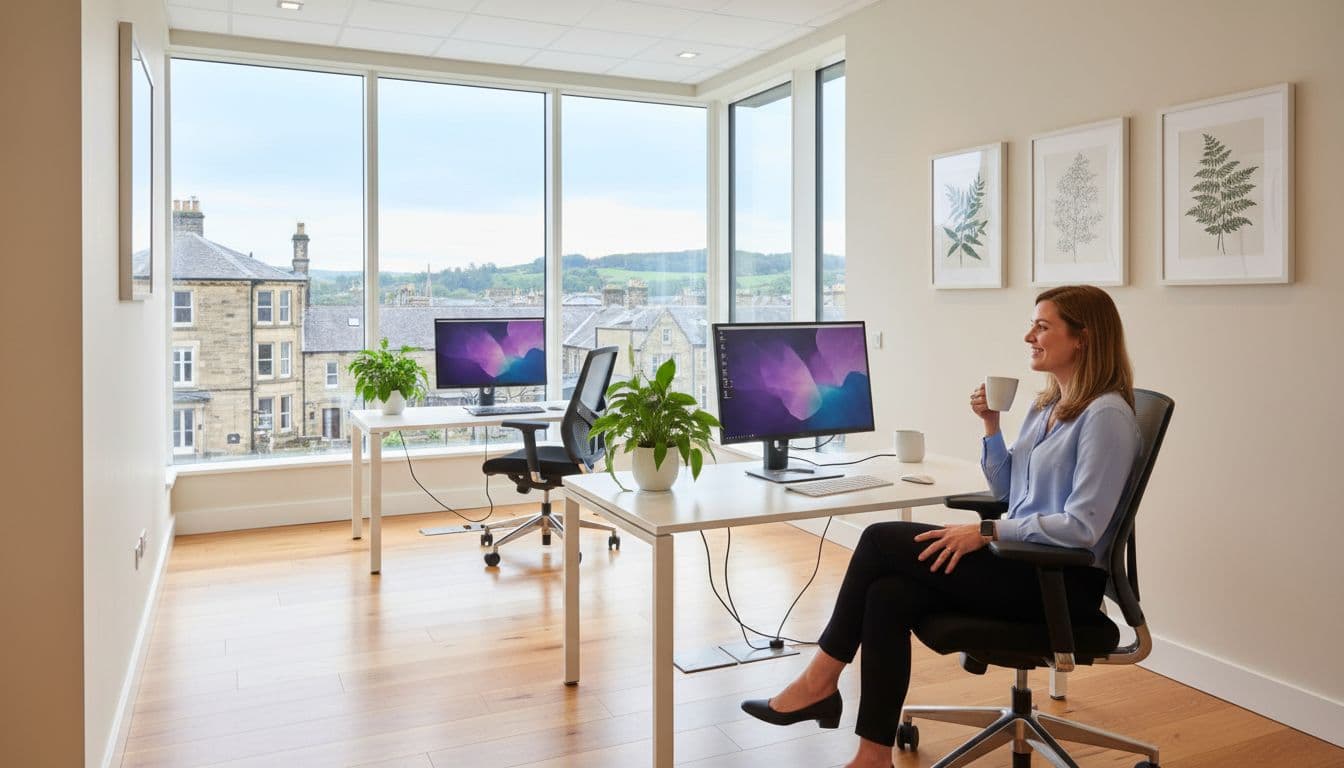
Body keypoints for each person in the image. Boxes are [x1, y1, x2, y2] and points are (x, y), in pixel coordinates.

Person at [740, 285, 1141, 768]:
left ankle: (819, 681)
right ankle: (871, 756)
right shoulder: (1046, 405)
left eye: (1042, 325)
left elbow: (1081, 527)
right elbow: (1008, 491)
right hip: (1020, 564)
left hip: (1061, 583)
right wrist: (991, 426)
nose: (1028, 335)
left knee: (876, 538)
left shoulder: (1106, 417)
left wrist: (987, 533)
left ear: (1083, 337)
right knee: (887, 592)